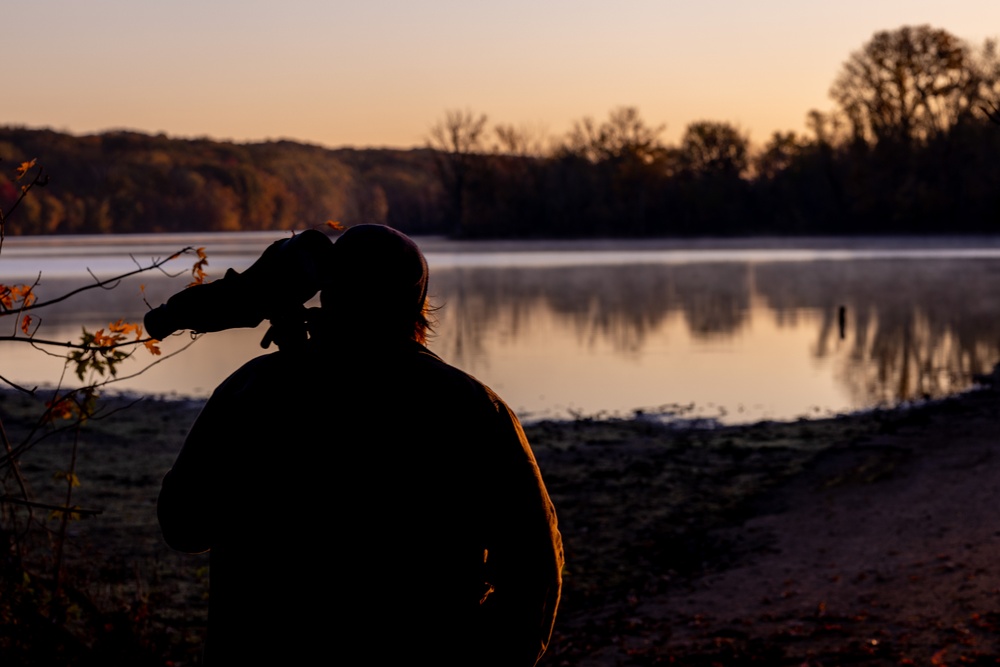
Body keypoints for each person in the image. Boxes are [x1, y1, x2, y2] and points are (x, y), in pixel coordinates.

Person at [157, 224, 563, 666]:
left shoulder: (252, 392)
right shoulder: (472, 408)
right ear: (417, 308)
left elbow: (183, 524)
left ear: (327, 294)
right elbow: (534, 568)